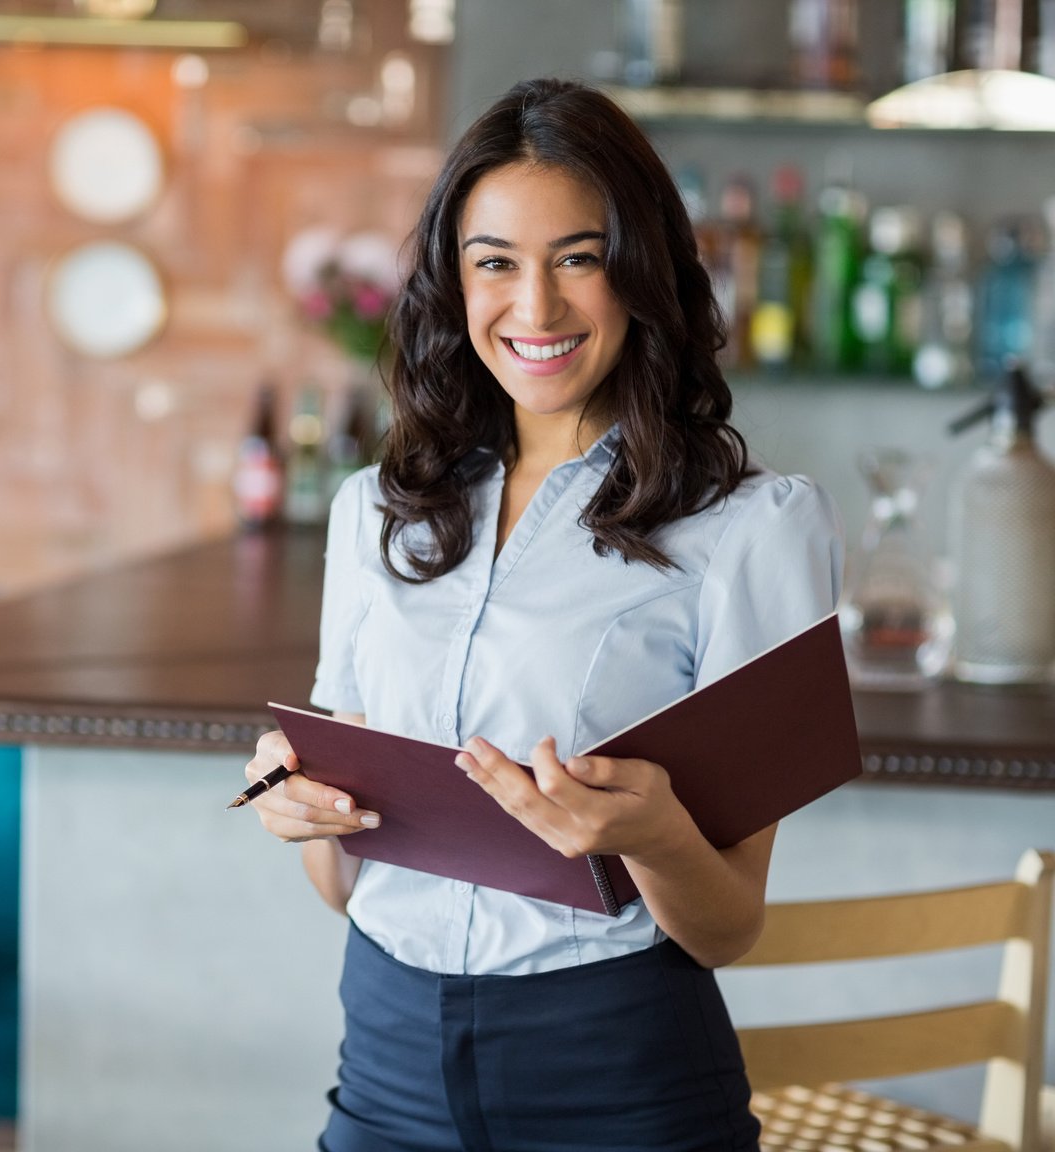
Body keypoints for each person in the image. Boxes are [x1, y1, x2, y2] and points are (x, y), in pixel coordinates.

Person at [242, 77, 842, 1152]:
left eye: (578, 257)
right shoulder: (374, 511)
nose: (537, 308)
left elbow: (728, 925)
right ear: (452, 281)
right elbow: (346, 885)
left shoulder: (751, 531)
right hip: (384, 1061)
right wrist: (304, 807)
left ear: (641, 268)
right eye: (496, 264)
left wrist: (656, 838)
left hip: (615, 1071)